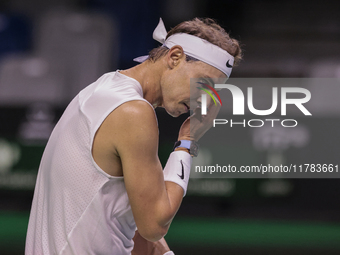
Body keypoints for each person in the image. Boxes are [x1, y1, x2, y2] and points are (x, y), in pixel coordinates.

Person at [25, 17, 242, 255]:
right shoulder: (133, 112)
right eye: (204, 84)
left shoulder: (105, 89)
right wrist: (187, 141)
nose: (204, 100)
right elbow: (154, 226)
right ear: (175, 57)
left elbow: (132, 225)